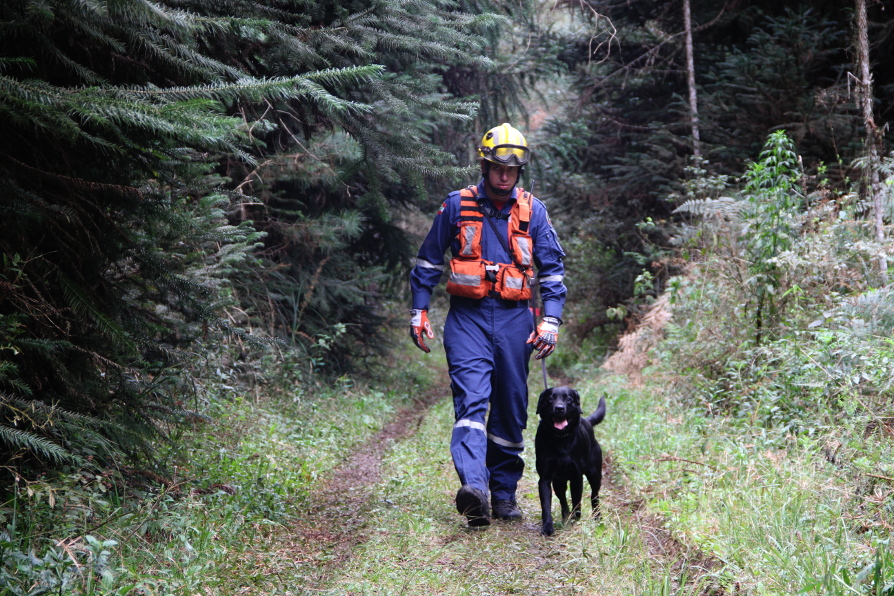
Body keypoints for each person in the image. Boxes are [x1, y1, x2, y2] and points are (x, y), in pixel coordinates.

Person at [409, 123, 567, 527]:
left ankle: (503, 493)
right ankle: (475, 490)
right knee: (472, 403)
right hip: (467, 319)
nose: (503, 175)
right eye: (497, 167)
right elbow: (428, 261)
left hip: (517, 321)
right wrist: (420, 310)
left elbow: (551, 272)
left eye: (511, 170)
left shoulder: (534, 211)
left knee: (511, 411)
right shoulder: (456, 206)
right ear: (484, 165)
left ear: (519, 172)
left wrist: (550, 320)